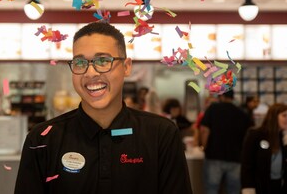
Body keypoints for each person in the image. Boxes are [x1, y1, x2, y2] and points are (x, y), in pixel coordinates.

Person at [14, 22, 192, 194]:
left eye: (103, 60)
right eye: (80, 63)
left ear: (126, 67)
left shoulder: (161, 135)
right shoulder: (42, 139)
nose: (91, 73)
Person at [200, 89, 252, 194]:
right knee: (233, 191)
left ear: (222, 97)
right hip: (236, 159)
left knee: (212, 190)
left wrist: (204, 147)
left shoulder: (213, 109)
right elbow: (248, 136)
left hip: (214, 156)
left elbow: (205, 130)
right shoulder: (243, 113)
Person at [241, 103, 287, 194]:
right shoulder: (256, 134)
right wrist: (248, 188)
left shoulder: (283, 138)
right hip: (259, 186)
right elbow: (247, 165)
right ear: (274, 116)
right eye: (284, 115)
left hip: (278, 186)